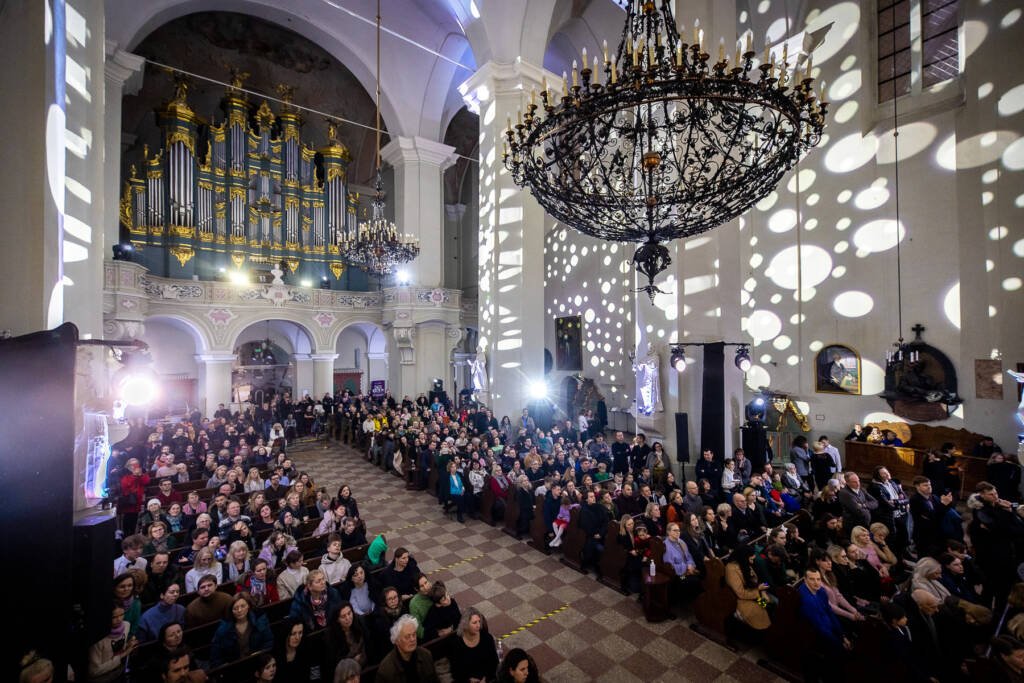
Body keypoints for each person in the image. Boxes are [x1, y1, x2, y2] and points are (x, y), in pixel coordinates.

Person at [209, 593, 274, 667]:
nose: (239, 610)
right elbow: (215, 655)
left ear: (248, 606)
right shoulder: (223, 628)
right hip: (234, 665)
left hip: (257, 661)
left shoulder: (259, 620)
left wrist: (260, 653)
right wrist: (224, 666)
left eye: (243, 606)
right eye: (235, 608)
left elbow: (269, 641)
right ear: (231, 610)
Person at [375, 614, 439, 683]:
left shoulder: (426, 655)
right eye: (407, 637)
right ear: (397, 641)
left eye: (414, 634)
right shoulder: (386, 670)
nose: (412, 639)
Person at [725, 545, 771, 631]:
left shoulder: (744, 563)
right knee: (761, 612)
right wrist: (759, 590)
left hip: (753, 595)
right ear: (744, 557)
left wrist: (763, 591)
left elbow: (755, 580)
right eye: (751, 559)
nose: (752, 562)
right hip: (743, 600)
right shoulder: (731, 569)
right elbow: (741, 593)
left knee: (769, 605)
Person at [87, 605, 138, 682]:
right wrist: (122, 655)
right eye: (114, 617)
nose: (119, 619)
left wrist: (128, 645)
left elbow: (117, 650)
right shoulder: (98, 639)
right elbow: (93, 671)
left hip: (120, 671)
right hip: (103, 679)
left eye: (122, 614)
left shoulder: (126, 625)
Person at [449, 607, 499, 683]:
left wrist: (486, 679)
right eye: (474, 622)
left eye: (479, 621)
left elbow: (494, 663)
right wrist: (469, 680)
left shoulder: (487, 638)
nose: (478, 625)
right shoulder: (456, 643)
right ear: (465, 625)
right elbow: (455, 670)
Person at [325, 602, 368, 669]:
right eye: (343, 616)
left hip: (366, 663)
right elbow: (335, 660)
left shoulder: (360, 622)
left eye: (349, 613)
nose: (348, 618)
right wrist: (353, 661)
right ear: (337, 620)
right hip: (347, 669)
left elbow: (368, 645)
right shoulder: (331, 635)